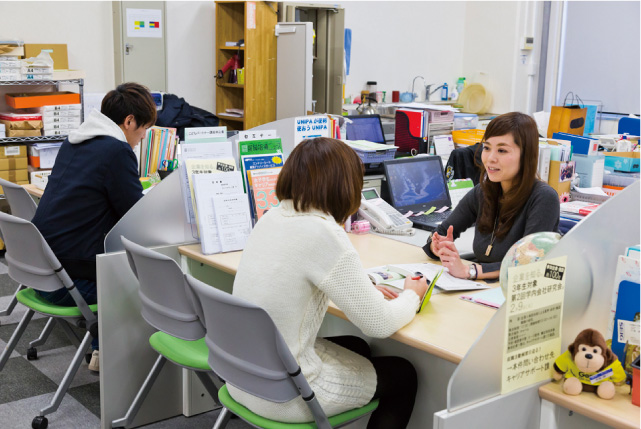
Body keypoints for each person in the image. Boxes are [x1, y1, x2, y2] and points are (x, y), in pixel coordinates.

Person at [230, 137, 428, 428]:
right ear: (345, 186)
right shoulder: (323, 233)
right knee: (402, 374)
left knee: (357, 346)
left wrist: (360, 285)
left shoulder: (272, 217)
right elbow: (379, 325)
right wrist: (412, 295)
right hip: (286, 397)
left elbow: (297, 276)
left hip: (242, 377)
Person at [31, 82, 157, 371]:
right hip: (68, 283)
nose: (141, 137)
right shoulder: (116, 151)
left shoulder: (74, 141)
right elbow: (135, 216)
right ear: (128, 122)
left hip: (41, 271)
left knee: (114, 258)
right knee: (146, 284)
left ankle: (101, 351)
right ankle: (119, 364)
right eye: (143, 129)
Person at [423, 112, 560, 280]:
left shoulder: (544, 198)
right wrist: (437, 246)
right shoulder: (482, 192)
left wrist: (469, 271)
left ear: (526, 156)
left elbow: (527, 262)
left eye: (502, 150)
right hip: (480, 288)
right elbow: (443, 232)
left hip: (514, 292)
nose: (490, 158)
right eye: (487, 148)